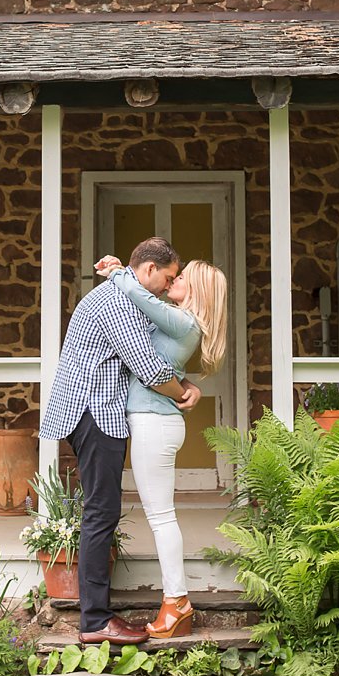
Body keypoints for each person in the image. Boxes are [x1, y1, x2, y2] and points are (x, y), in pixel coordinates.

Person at [40, 237, 202, 646]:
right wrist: (183, 393)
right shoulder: (118, 304)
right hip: (93, 412)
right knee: (101, 513)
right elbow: (148, 366)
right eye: (166, 278)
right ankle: (95, 620)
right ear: (148, 270)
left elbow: (156, 356)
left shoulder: (124, 295)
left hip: (97, 411)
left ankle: (97, 616)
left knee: (102, 510)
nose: (168, 286)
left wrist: (186, 384)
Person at [94, 253, 228, 639]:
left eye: (181, 277)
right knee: (162, 516)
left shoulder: (185, 321)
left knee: (161, 517)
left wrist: (119, 272)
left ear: (197, 289)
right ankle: (176, 603)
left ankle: (177, 604)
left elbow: (144, 300)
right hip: (156, 423)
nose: (173, 282)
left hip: (156, 424)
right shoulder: (183, 323)